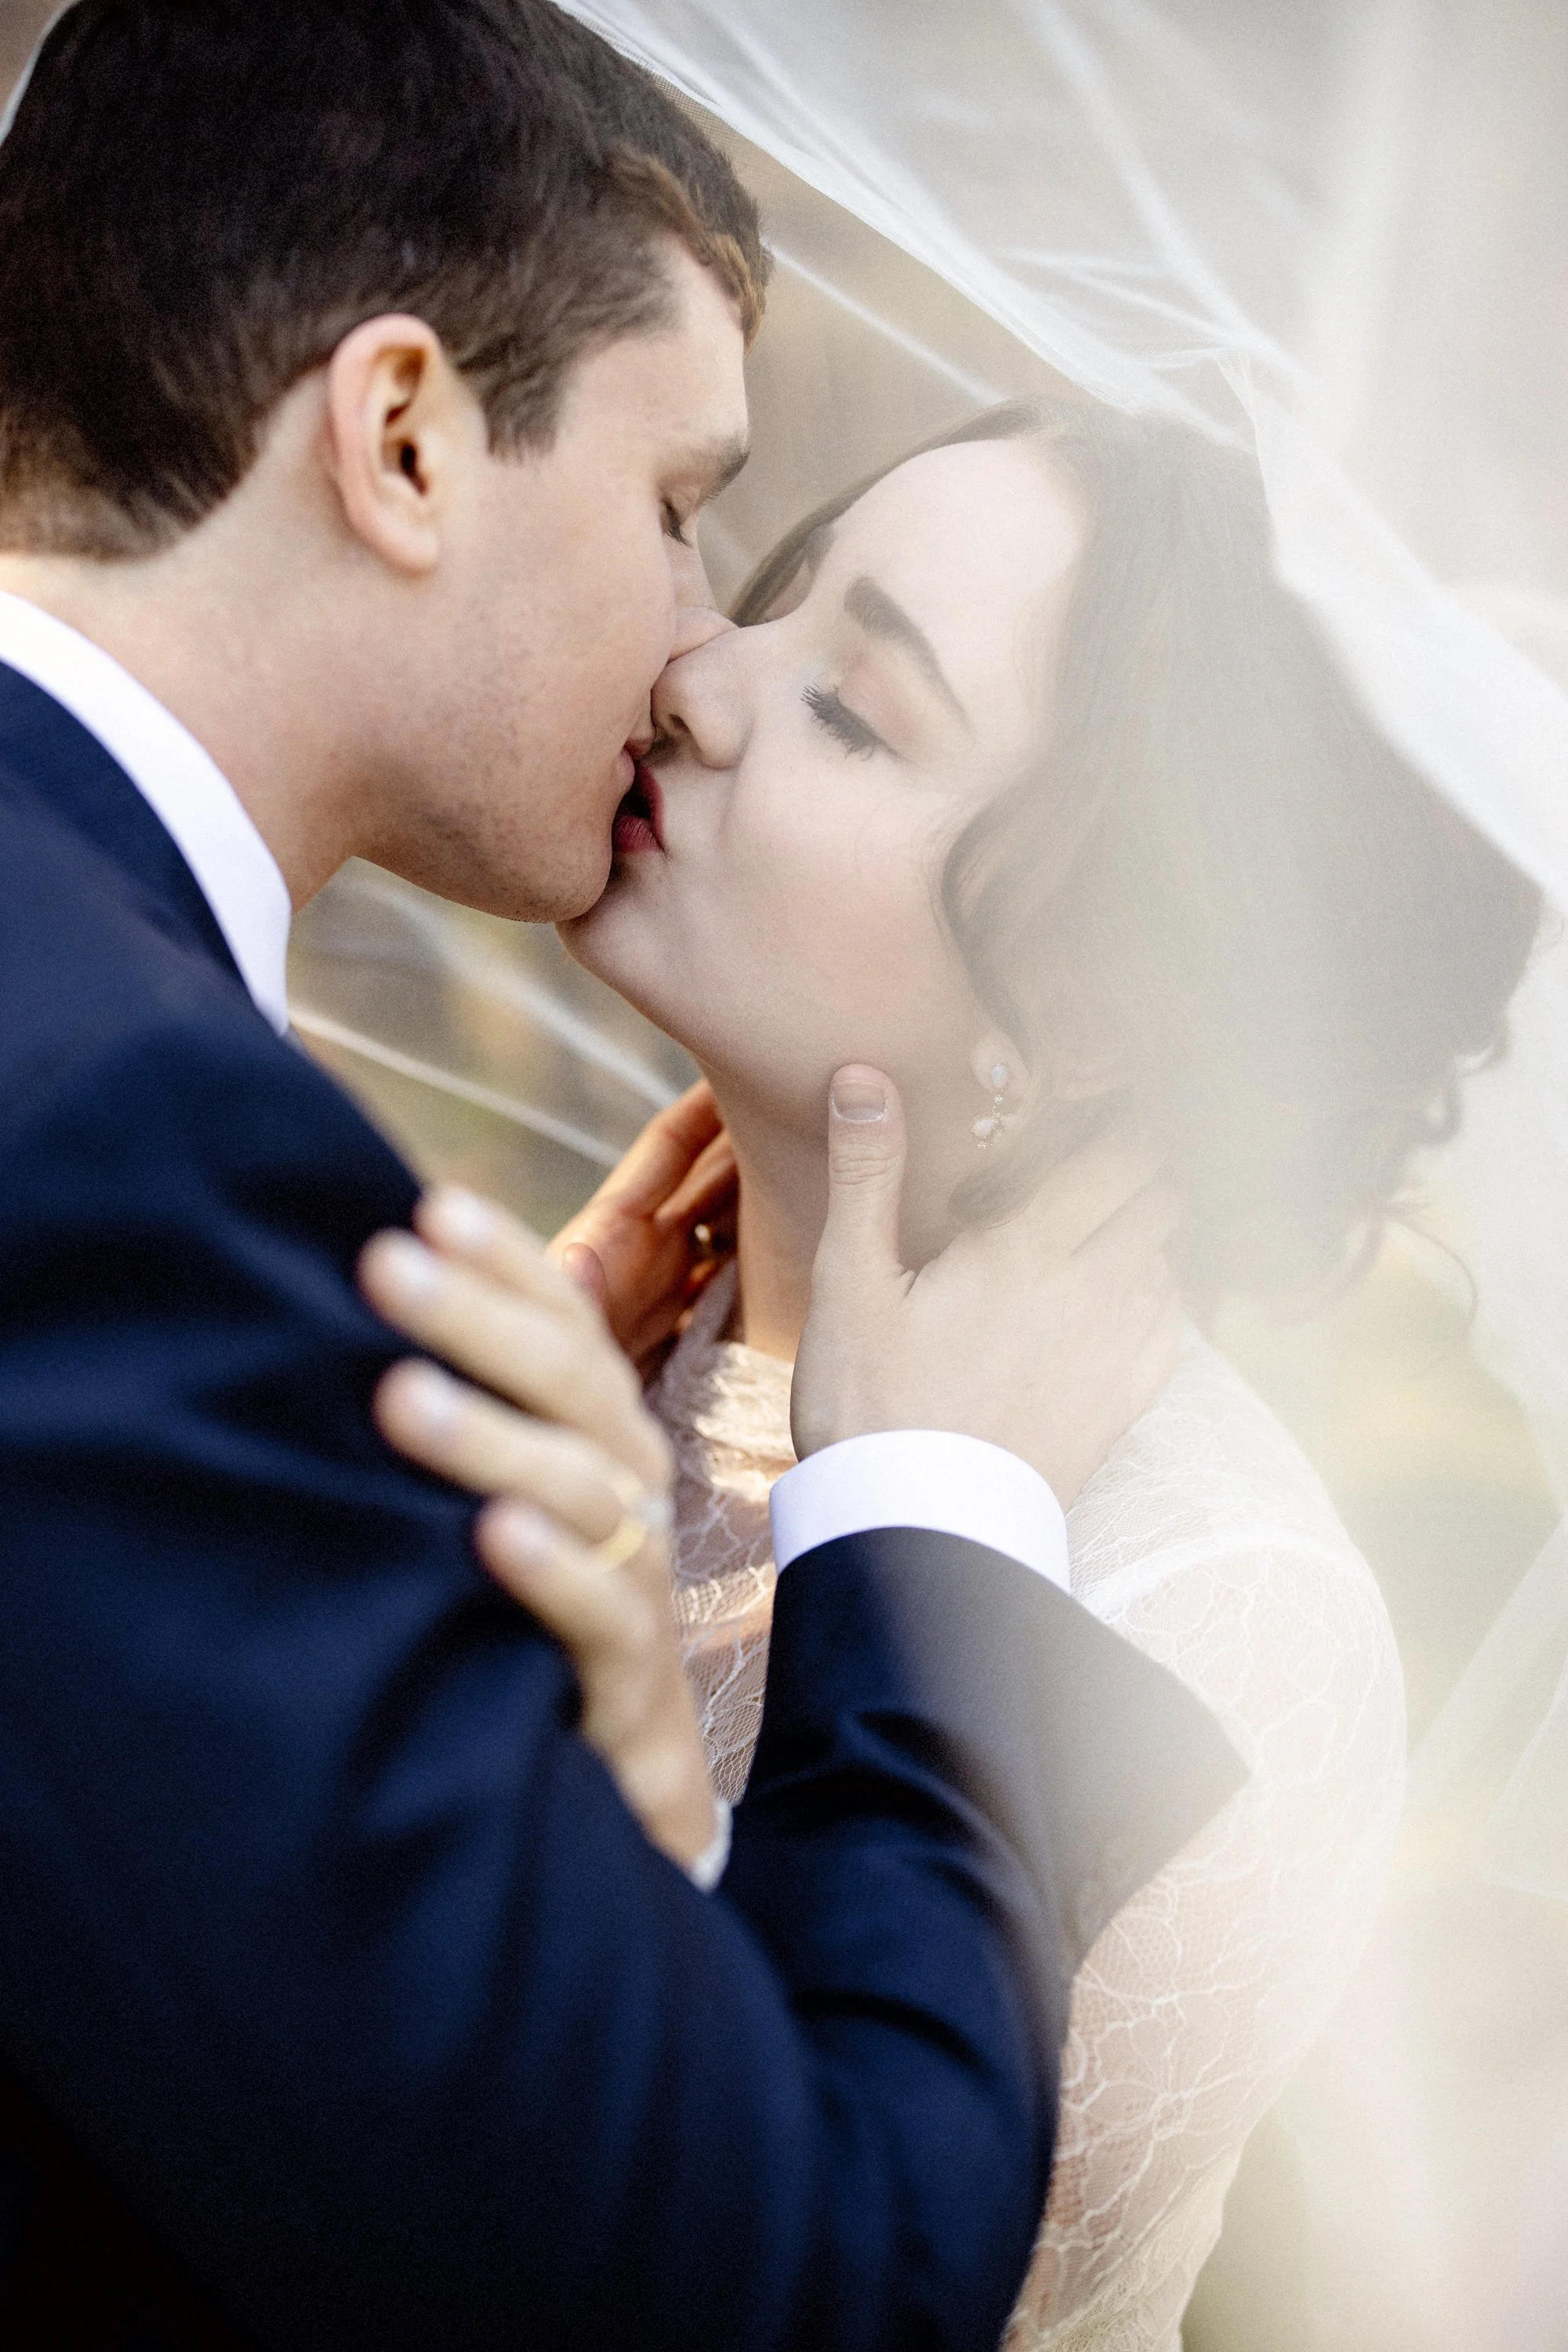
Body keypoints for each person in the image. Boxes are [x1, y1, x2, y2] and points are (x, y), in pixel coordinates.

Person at [0, 8, 1243, 2349]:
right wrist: (946, 1529)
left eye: (849, 689)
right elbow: (774, 2292)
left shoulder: (141, 1101)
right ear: (398, 438)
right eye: (685, 516)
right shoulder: (140, 1163)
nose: (693, 656)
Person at [377, 395, 1541, 2348]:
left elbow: (787, 2284)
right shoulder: (625, 1325)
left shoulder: (1210, 1629)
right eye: (766, 599)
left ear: (1090, 1002)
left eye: (853, 709)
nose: (697, 683)